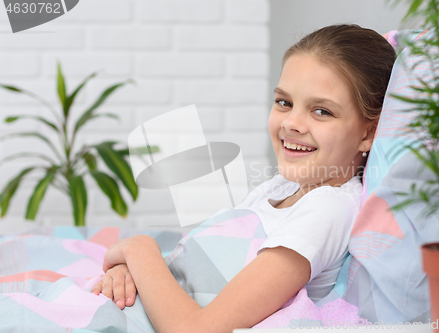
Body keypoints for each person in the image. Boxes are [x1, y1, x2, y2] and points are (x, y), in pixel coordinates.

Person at [91, 24, 396, 332]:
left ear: (368, 132)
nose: (292, 122)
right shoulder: (281, 187)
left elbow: (198, 329)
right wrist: (129, 274)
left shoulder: (329, 209)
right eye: (284, 102)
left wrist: (140, 249)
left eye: (321, 111)